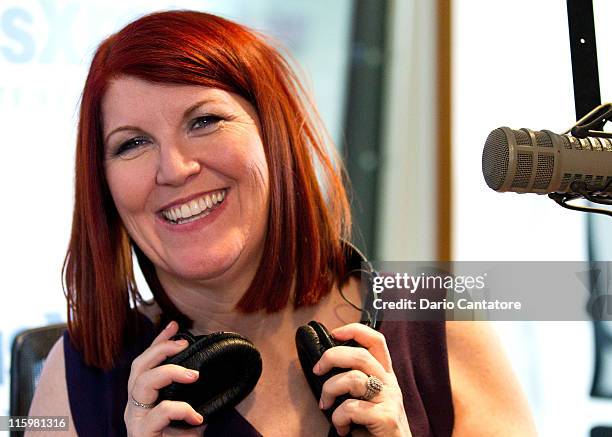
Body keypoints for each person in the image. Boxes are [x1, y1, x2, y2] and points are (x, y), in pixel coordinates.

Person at [27, 10, 536, 437]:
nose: (174, 169)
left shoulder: (436, 324)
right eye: (131, 144)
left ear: (275, 139)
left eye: (204, 121)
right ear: (104, 186)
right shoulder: (74, 376)